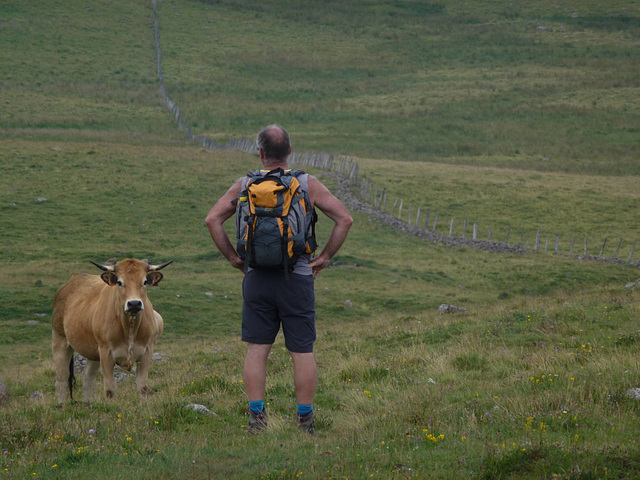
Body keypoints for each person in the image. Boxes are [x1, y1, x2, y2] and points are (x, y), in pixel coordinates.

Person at [205, 124, 353, 435]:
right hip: (297, 276)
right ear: (289, 152)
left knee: (258, 349)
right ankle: (305, 421)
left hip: (256, 277)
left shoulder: (246, 184)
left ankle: (257, 420)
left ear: (260, 153)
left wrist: (234, 258)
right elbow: (344, 218)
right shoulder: (305, 183)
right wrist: (324, 256)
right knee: (302, 350)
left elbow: (212, 219)